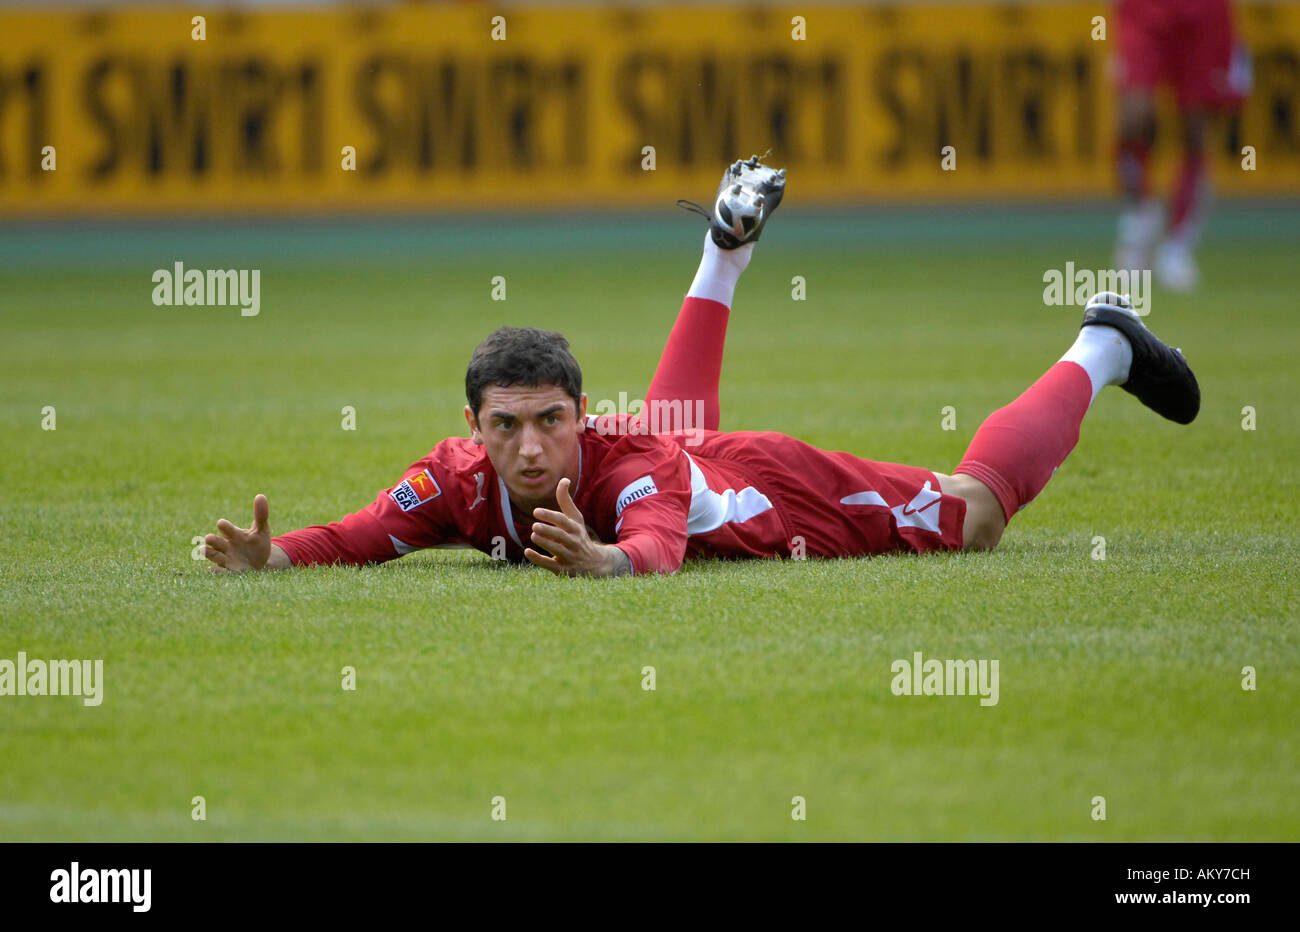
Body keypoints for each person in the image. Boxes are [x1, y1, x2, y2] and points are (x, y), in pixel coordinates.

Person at [202, 156, 1200, 578]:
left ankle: (1101, 343)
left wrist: (600, 563)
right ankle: (724, 246)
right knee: (675, 422)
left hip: (762, 487)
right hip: (682, 445)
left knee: (972, 517)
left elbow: (655, 548)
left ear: (580, 413)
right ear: (473, 428)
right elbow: (362, 532)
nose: (527, 443)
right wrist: (274, 555)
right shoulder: (460, 479)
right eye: (502, 424)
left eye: (548, 419)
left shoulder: (636, 471)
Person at [1112, 0, 1250, 291]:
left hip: (1204, 12)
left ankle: (1177, 246)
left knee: (1196, 129)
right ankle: (1141, 219)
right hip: (1143, 10)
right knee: (1133, 116)